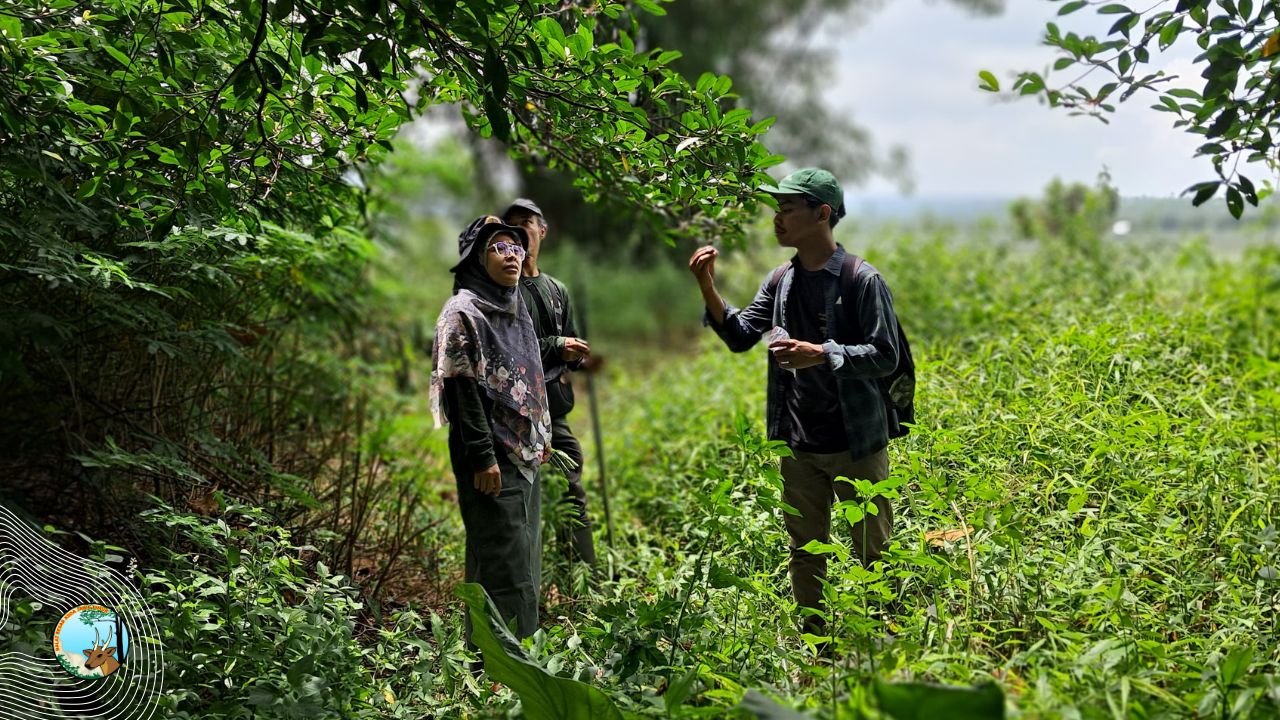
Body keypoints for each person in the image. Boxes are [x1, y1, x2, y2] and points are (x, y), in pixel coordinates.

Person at [687, 168, 903, 638]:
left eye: (788, 209)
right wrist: (708, 286)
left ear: (822, 214)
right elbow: (742, 335)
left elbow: (887, 356)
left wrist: (822, 354)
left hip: (856, 443)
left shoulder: (862, 280)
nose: (777, 219)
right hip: (800, 443)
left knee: (873, 549)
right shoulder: (780, 279)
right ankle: (817, 646)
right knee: (806, 550)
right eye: (777, 209)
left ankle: (882, 644)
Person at [432, 215, 552, 641]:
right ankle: (508, 666)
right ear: (477, 259)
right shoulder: (462, 313)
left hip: (523, 452)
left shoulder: (515, 308)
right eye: (499, 248)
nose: (511, 256)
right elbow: (462, 392)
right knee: (506, 564)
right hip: (490, 456)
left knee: (516, 554)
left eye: (517, 248)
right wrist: (483, 457)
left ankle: (485, 656)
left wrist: (540, 433)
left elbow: (529, 375)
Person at [501, 198, 597, 567]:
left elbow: (568, 345)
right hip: (513, 416)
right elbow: (507, 352)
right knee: (522, 499)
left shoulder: (557, 290)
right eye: (513, 226)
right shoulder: (502, 289)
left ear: (543, 230)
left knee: (571, 492)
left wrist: (577, 354)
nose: (521, 231)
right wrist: (558, 347)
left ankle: (582, 580)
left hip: (554, 412)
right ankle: (528, 579)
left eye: (528, 222)